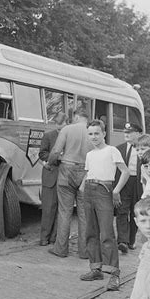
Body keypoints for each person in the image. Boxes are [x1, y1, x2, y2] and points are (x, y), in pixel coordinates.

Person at [78, 119, 130, 291]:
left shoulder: (112, 150)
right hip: (89, 192)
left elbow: (125, 171)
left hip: (104, 190)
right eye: (90, 134)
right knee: (90, 232)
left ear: (104, 133)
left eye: (97, 133)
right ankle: (96, 269)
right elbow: (88, 174)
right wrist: (82, 187)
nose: (94, 137)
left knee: (107, 233)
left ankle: (114, 274)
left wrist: (116, 190)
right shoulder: (90, 154)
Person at [46, 108, 93, 259]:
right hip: (86, 172)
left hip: (67, 170)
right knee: (84, 214)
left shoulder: (67, 129)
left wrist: (50, 163)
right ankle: (84, 251)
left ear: (77, 117)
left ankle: (61, 249)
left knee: (65, 211)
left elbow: (55, 151)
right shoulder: (93, 131)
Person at [38, 112, 68, 246]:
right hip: (51, 175)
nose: (60, 129)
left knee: (61, 210)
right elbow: (42, 153)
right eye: (58, 126)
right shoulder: (48, 136)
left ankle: (54, 238)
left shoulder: (70, 136)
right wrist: (55, 157)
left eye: (62, 126)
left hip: (65, 176)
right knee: (48, 209)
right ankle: (44, 238)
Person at [114, 122, 143, 254]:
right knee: (122, 211)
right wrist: (116, 189)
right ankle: (122, 241)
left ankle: (131, 240)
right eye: (125, 132)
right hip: (124, 183)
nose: (127, 134)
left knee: (135, 212)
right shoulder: (119, 149)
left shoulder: (144, 148)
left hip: (138, 183)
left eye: (130, 132)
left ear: (138, 133)